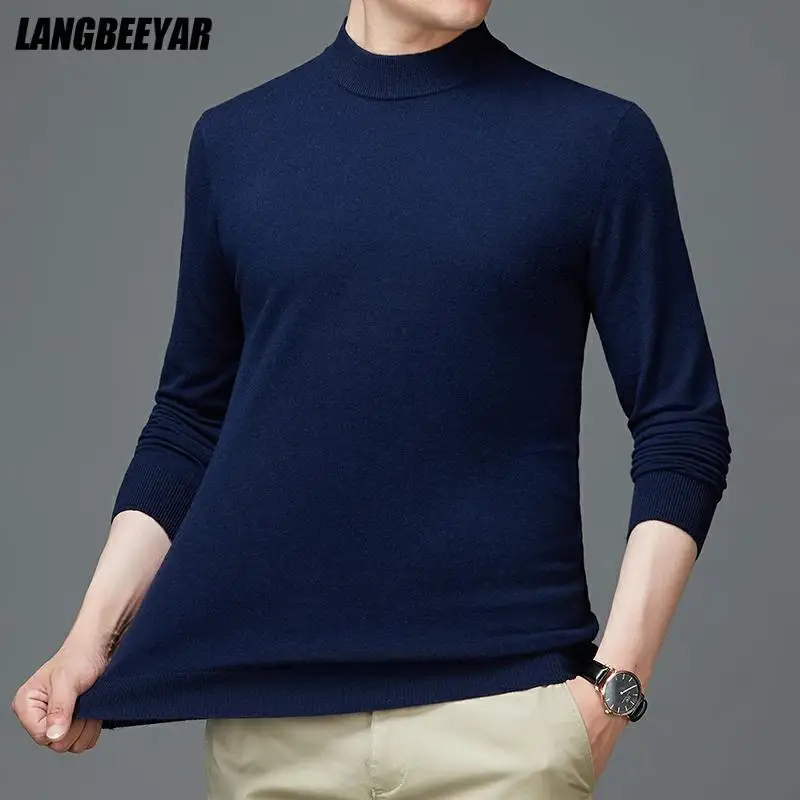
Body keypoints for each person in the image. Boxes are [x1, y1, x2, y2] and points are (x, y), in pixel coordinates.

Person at [11, 1, 732, 798]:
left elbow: (682, 427)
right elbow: (189, 425)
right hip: (270, 733)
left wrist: (614, 687)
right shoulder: (236, 142)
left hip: (507, 724)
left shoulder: (596, 140)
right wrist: (89, 641)